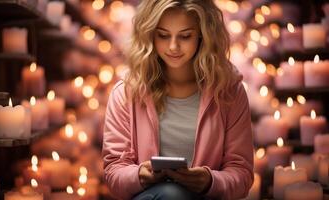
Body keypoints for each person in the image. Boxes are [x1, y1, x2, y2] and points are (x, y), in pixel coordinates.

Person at [102, 0, 254, 199]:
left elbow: (242, 174)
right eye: (163, 35)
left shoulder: (229, 91)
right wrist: (139, 176)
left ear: (202, 35)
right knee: (170, 194)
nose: (173, 46)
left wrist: (210, 181)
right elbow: (113, 172)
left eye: (185, 36)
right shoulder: (127, 92)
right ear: (150, 35)